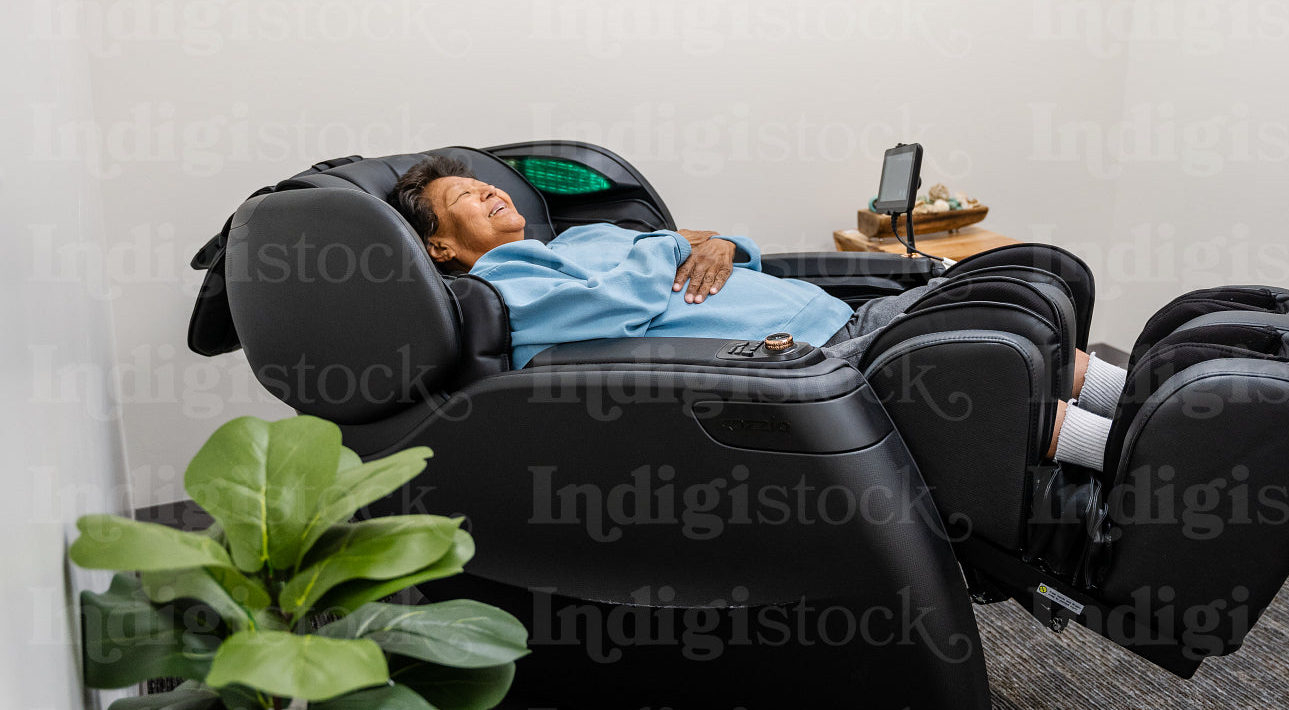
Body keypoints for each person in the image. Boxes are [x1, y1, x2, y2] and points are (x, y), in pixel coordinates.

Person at [390, 156, 1127, 470]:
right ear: (441, 246)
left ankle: (1139, 407)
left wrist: (712, 248)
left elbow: (711, 241)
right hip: (804, 368)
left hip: (830, 317)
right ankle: (1132, 458)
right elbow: (622, 296)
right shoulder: (507, 281)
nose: (490, 193)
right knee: (987, 359)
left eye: (488, 187)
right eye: (465, 199)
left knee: (1014, 294)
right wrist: (669, 252)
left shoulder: (584, 236)